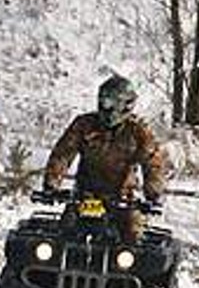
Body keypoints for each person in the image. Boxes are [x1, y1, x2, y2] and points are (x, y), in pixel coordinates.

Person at [41, 74, 168, 243]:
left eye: (110, 103)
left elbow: (153, 163)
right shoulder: (84, 124)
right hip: (85, 197)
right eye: (102, 102)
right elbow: (63, 153)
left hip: (123, 201)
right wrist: (51, 184)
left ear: (124, 105)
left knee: (134, 240)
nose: (105, 108)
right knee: (64, 234)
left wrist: (153, 195)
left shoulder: (138, 132)